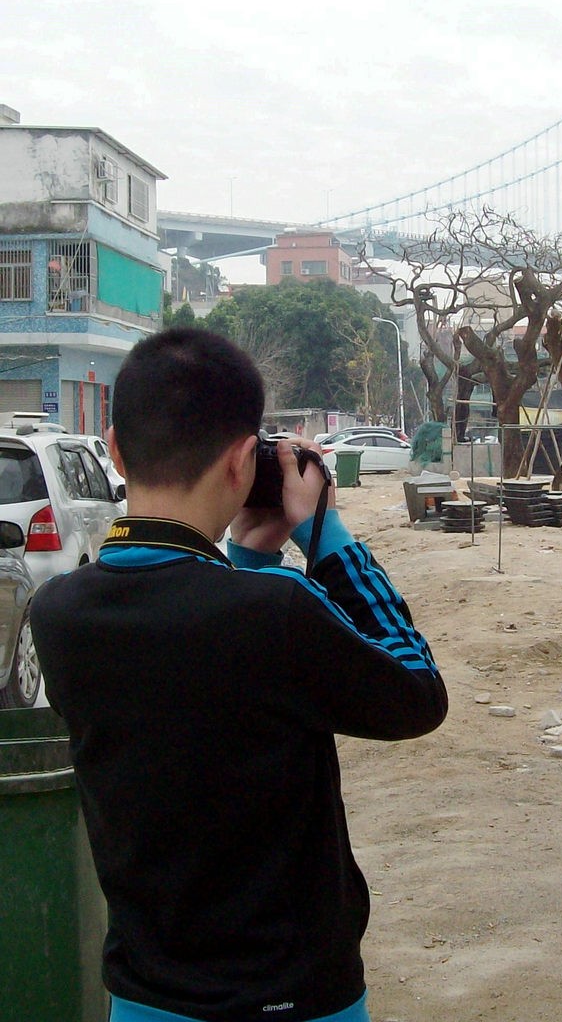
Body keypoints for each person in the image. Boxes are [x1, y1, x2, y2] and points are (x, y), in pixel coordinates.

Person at [31, 327, 448, 1022]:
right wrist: (327, 540)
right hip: (296, 999)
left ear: (114, 446)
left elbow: (196, 667)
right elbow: (416, 694)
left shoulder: (59, 613)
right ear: (238, 462)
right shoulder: (276, 612)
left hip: (144, 999)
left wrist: (248, 559)